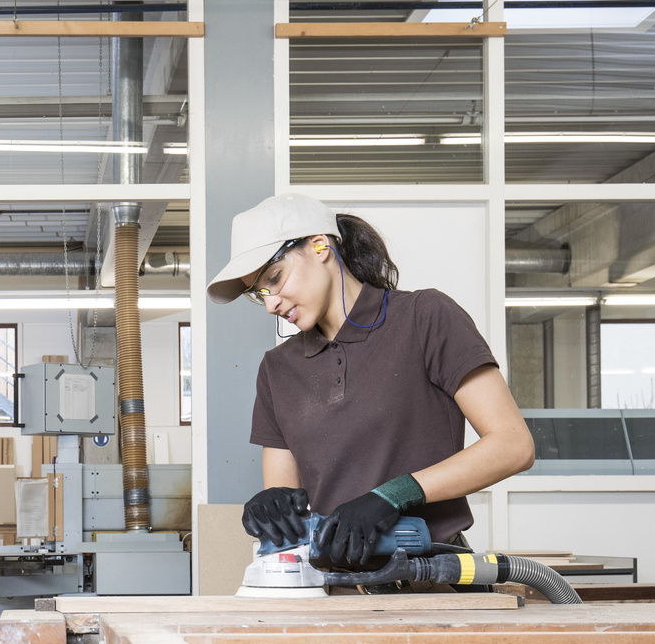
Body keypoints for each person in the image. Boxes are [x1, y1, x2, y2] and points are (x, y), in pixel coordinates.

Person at [207, 194, 535, 570]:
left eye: (275, 279)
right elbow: (286, 500)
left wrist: (393, 496)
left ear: (320, 246)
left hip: (429, 581)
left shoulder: (424, 318)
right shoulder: (277, 368)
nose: (270, 304)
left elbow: (513, 446)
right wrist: (271, 508)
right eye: (259, 293)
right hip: (331, 590)